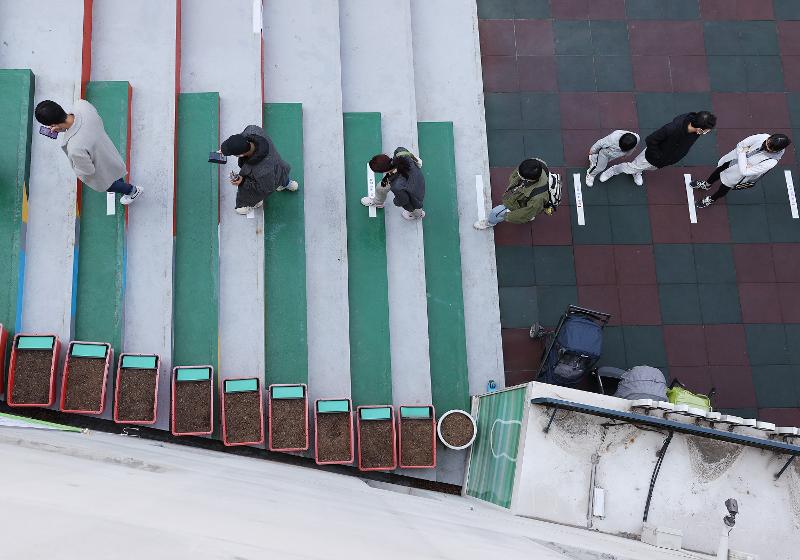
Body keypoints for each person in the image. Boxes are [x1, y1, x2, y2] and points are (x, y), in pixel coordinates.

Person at [34, 99, 142, 205]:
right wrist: (64, 128)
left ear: (52, 124)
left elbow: (88, 171)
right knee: (114, 171)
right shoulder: (82, 105)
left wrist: (76, 167)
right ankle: (121, 181)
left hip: (101, 170)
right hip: (108, 152)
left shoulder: (74, 148)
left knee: (110, 185)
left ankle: (133, 191)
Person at [598, 111, 717, 187]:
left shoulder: (695, 131)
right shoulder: (672, 129)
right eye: (706, 130)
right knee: (631, 167)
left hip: (662, 161)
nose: (707, 132)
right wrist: (658, 156)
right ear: (700, 129)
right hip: (652, 157)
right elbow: (651, 140)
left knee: (643, 168)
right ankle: (613, 170)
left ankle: (637, 172)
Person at [692, 133, 792, 208]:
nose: (765, 145)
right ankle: (707, 184)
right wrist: (745, 162)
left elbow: (745, 172)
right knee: (718, 171)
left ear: (776, 151)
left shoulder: (771, 162)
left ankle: (711, 199)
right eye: (766, 142)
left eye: (769, 147)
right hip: (730, 160)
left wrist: (743, 152)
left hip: (737, 175)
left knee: (724, 188)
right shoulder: (764, 136)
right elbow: (741, 144)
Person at [220, 127, 298, 215]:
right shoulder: (253, 130)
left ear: (240, 155)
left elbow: (266, 188)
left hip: (271, 178)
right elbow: (240, 139)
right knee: (282, 175)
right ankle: (288, 184)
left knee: (267, 185)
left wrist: (242, 181)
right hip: (279, 166)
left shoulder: (262, 171)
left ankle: (255, 203)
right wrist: (225, 150)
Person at [474, 158, 560, 229]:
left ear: (528, 180)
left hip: (520, 204)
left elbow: (526, 212)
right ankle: (531, 216)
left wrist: (507, 216)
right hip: (529, 203)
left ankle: (489, 222)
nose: (517, 173)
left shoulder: (538, 198)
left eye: (520, 174)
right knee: (531, 212)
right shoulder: (538, 164)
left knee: (495, 212)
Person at [362, 147, 426, 220]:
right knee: (381, 188)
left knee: (414, 206)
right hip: (411, 176)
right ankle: (378, 202)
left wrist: (396, 202)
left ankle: (417, 215)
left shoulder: (397, 187)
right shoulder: (400, 152)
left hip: (416, 190)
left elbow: (404, 200)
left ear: (383, 171)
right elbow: (414, 159)